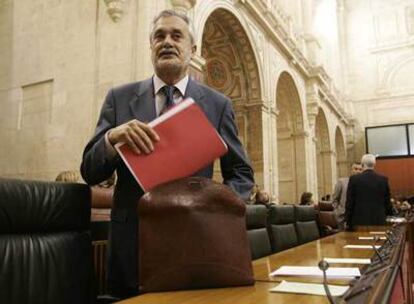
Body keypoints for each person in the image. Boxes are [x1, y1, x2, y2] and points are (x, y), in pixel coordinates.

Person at [80, 10, 254, 298]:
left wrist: (215, 210)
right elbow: (89, 170)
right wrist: (113, 138)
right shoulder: (119, 98)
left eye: (176, 35)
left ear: (192, 49)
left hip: (195, 244)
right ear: (151, 46)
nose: (167, 42)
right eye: (159, 36)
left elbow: (242, 174)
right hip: (131, 249)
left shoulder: (217, 104)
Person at [345, 154, 393, 229]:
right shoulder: (383, 180)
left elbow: (350, 202)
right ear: (374, 164)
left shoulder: (354, 179)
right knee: (378, 240)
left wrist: (347, 221)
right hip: (379, 221)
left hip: (359, 222)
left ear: (362, 164)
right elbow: (387, 202)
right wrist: (389, 215)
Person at [331, 162, 362, 229]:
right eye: (355, 169)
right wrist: (337, 212)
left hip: (358, 218)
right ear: (351, 170)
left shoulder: (363, 184)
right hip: (343, 217)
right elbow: (334, 199)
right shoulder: (342, 182)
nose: (358, 171)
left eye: (360, 169)